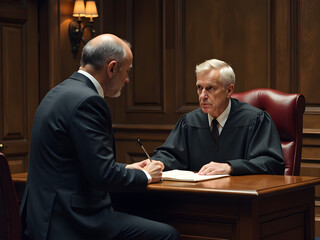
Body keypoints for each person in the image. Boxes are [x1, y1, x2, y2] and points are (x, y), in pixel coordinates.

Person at [20, 34, 179, 240]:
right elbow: (103, 176)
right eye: (127, 71)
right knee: (167, 235)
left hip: (42, 218)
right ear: (112, 68)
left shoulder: (58, 92)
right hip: (72, 222)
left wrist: (125, 168)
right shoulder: (89, 102)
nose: (128, 79)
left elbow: (79, 163)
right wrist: (146, 175)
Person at [151, 59, 285, 176]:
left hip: (240, 198)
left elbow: (271, 163)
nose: (202, 95)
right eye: (199, 88)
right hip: (197, 196)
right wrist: (158, 163)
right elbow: (171, 154)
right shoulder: (190, 122)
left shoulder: (255, 120)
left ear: (229, 90)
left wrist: (230, 167)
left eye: (210, 88)